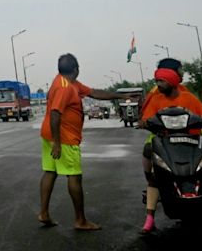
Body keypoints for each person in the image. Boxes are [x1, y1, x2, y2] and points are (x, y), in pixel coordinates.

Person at [38, 53, 134, 230]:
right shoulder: (65, 87)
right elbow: (55, 114)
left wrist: (120, 96)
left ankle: (44, 213)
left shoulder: (66, 82)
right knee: (74, 176)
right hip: (64, 138)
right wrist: (58, 143)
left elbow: (94, 93)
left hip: (50, 135)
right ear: (76, 69)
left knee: (50, 172)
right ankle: (80, 220)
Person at [139, 62, 202, 233]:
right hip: (164, 137)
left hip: (193, 135)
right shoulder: (155, 99)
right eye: (157, 81)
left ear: (172, 80)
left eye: (162, 81)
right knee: (148, 150)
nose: (158, 85)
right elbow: (147, 119)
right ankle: (149, 215)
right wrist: (145, 123)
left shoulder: (188, 97)